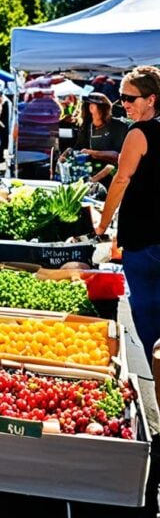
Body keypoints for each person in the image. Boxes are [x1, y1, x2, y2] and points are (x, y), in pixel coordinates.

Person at [94, 66, 160, 361]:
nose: (123, 104)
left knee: (149, 323)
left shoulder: (139, 133)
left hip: (145, 240)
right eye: (120, 98)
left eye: (130, 98)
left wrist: (102, 225)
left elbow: (121, 181)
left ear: (151, 99)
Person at [72, 93, 128, 167]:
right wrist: (69, 152)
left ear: (104, 108)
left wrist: (91, 153)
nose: (90, 107)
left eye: (94, 104)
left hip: (113, 171)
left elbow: (117, 155)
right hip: (91, 169)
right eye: (88, 104)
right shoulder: (86, 126)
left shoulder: (119, 126)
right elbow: (78, 148)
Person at [0, 89, 12, 163]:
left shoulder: (5, 103)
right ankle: (0, 156)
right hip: (1, 126)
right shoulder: (2, 103)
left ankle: (0, 157)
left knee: (2, 142)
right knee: (0, 141)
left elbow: (4, 116)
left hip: (4, 126)